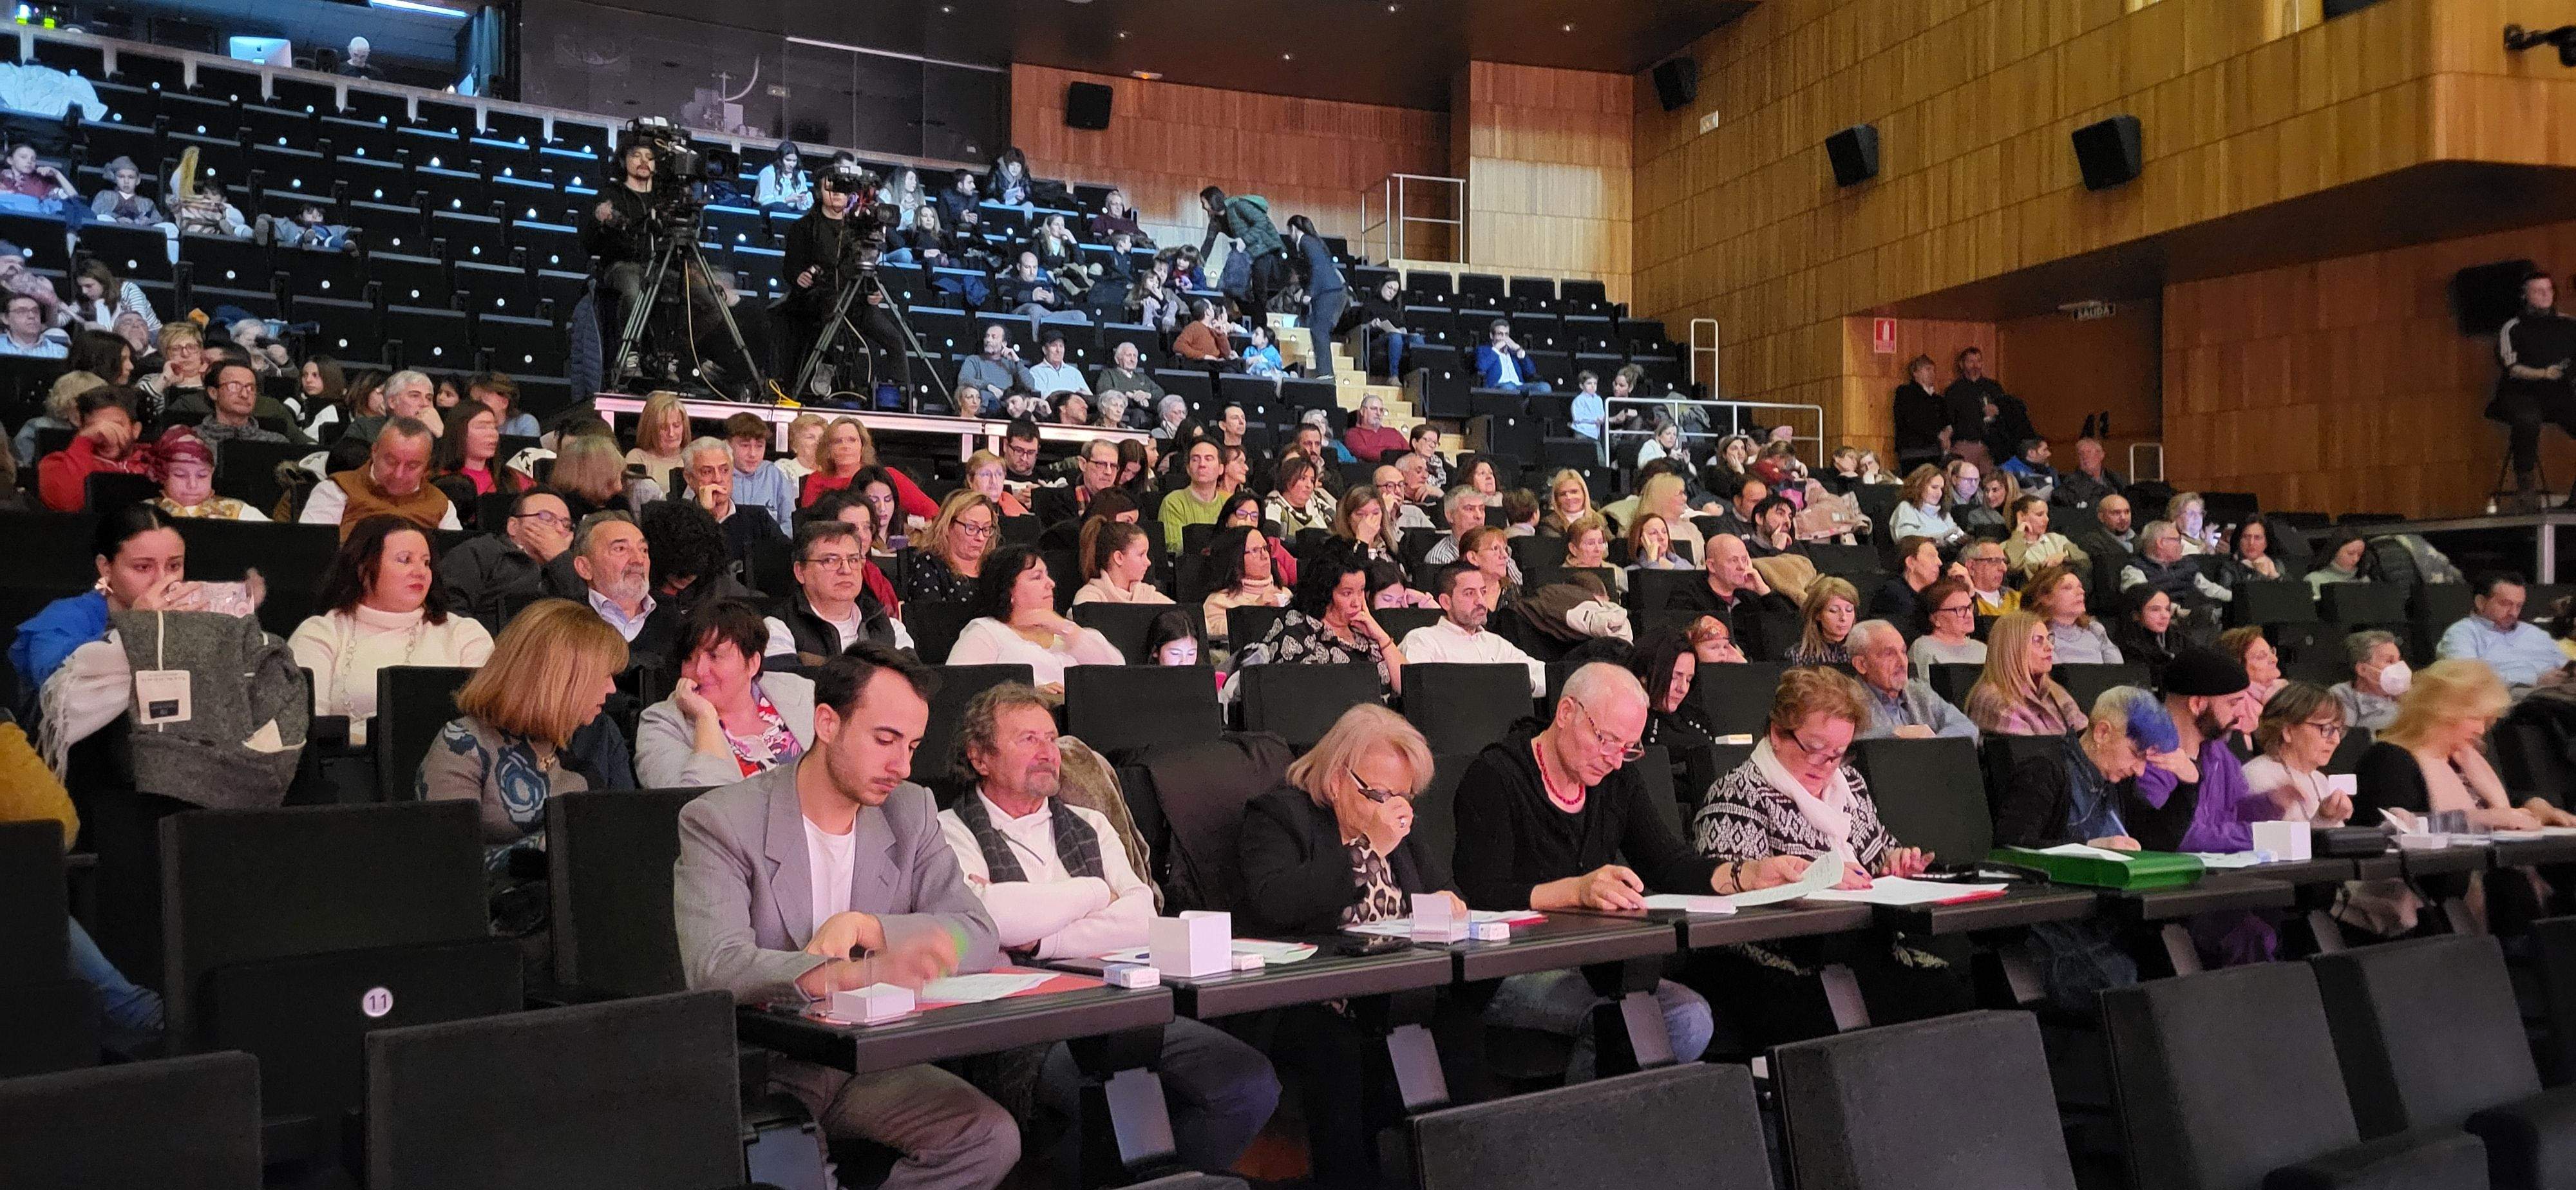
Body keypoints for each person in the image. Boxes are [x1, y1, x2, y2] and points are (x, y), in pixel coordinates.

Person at [671, 646, 1019, 1190]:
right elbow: (715, 966)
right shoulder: (721, 820)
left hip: (867, 1060)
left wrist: (872, 929)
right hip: (766, 1068)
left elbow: (975, 933)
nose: (902, 766)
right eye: (885, 741)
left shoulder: (912, 809)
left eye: (913, 746)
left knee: (987, 1136)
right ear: (827, 723)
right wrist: (850, 974)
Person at [935, 683, 1280, 1172]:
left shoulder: (1090, 823)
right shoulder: (949, 829)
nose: (1047, 753)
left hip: (1124, 1007)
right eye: (1027, 740)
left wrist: (1041, 940)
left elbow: (1141, 919)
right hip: (1024, 1030)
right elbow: (991, 919)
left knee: (1248, 1084)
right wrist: (1095, 893)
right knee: (1115, 1103)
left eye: (1051, 739)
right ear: (980, 757)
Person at [1455, 664, 1810, 1077]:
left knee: (1690, 1017)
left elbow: (1668, 865)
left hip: (1596, 959)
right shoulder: (1497, 775)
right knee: (1629, 1018)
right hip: (1507, 968)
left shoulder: (1617, 780)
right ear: (1567, 713)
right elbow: (1480, 894)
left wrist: (1746, 875)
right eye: (1606, 739)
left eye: (1628, 747)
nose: (1614, 759)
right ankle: (1586, 1129)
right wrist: (1576, 891)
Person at [1693, 667, 1962, 1044]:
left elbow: (1876, 849)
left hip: (1854, 945)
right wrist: (1818, 880)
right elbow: (1734, 899)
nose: (1827, 766)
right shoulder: (1737, 793)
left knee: (1942, 985)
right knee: (1843, 1005)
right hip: (1778, 959)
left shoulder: (1848, 784)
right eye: (1816, 751)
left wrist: (1895, 861)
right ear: (1777, 733)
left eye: (1838, 754)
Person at [417, 599, 625, 877]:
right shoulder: (463, 744)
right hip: (494, 910)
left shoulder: (602, 733)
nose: (612, 688)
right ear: (558, 679)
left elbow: (627, 832)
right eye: (603, 675)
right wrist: (546, 848)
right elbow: (448, 865)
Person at [290, 515, 493, 746]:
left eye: (426, 562)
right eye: (405, 560)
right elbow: (303, 728)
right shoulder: (321, 633)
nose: (421, 572)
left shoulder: (465, 634)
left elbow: (485, 725)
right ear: (364, 570)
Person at [10, 505, 203, 700]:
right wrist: (134, 625)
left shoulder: (196, 615)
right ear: (106, 568)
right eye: (143, 567)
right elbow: (52, 682)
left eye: (174, 566)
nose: (163, 580)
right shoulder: (63, 618)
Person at [2356, 659, 2564, 835]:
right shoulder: (2390, 759)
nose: (2481, 730)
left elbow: (2498, 807)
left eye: (2486, 720)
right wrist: (2480, 820)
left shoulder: (2465, 757)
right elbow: (2394, 826)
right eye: (2474, 718)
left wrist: (2536, 807)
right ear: (2441, 714)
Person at [637, 599, 817, 788]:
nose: (700, 670)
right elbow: (692, 805)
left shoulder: (801, 691)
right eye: (689, 658)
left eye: (715, 656)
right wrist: (706, 719)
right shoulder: (659, 724)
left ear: (753, 663)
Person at [2121, 647, 2271, 855]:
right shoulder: (2147, 757)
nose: (2239, 713)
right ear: (2197, 704)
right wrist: (2260, 836)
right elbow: (2175, 834)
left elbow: (2235, 810)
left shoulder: (2219, 753)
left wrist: (2273, 804)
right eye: (2233, 703)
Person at [946, 546, 1122, 689]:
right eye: (1037, 577)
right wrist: (1031, 691)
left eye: (1048, 575)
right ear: (1009, 591)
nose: (1051, 584)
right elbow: (959, 687)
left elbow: (1119, 674)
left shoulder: (1068, 633)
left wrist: (1061, 626)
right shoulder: (987, 632)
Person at [764, 509, 909, 663]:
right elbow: (789, 686)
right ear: (800, 572)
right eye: (830, 561)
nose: (846, 570)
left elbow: (915, 683)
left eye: (853, 560)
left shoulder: (889, 626)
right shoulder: (777, 628)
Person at [2488, 270, 2576, 502]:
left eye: (2549, 289)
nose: (2546, 295)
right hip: (2520, 394)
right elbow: (2512, 368)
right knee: (2528, 419)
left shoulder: (2569, 324)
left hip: (2559, 395)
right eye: (2538, 290)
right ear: (2526, 296)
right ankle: (2525, 485)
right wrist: (2543, 374)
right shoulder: (2513, 327)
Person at [1398, 563, 1545, 695]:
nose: (1481, 601)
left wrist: (1524, 684)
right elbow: (1422, 693)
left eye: (1483, 592)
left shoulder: (1496, 643)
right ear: (1446, 602)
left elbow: (1545, 675)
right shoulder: (1423, 640)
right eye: (1470, 593)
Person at [300, 417, 459, 535]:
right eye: (391, 461)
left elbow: (456, 567)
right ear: (374, 452)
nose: (398, 474)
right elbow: (314, 554)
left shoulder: (441, 505)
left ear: (427, 466)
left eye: (412, 466)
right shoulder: (337, 489)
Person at [438, 487, 576, 619]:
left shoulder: (573, 565)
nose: (559, 529)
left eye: (566, 524)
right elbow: (450, 610)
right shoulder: (480, 552)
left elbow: (583, 615)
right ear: (513, 527)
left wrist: (560, 559)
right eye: (546, 517)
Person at [1663, 534, 1799, 662]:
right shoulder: (1688, 595)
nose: (1741, 566)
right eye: (1734, 560)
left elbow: (1788, 630)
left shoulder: (1751, 595)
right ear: (1712, 566)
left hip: (1755, 670)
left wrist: (1764, 591)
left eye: (1744, 559)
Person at [2240, 682, 2354, 826]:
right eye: (2326, 728)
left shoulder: (2320, 779)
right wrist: (2324, 819)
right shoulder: (2257, 775)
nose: (2336, 740)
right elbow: (2280, 845)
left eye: (2339, 730)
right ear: (2288, 731)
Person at [580, 138, 661, 339]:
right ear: (624, 161)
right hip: (622, 266)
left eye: (650, 157)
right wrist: (600, 220)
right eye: (636, 155)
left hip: (660, 268)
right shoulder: (610, 195)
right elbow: (589, 243)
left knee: (702, 296)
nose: (644, 161)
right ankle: (631, 354)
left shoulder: (664, 199)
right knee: (634, 292)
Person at [1848, 619, 1978, 741]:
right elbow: (1848, 741)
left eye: (1903, 652)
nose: (1902, 662)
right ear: (1861, 665)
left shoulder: (1919, 691)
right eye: (1889, 654)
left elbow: (1967, 727)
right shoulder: (1849, 700)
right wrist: (1897, 734)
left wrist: (1933, 745)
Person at [2436, 571, 2568, 688]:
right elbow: (2467, 678)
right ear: (2480, 602)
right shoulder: (2463, 633)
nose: (2513, 613)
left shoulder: (2534, 633)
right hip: (2512, 699)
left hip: (2559, 691)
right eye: (2506, 604)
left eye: (2519, 606)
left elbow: (2565, 663)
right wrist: (2534, 680)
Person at [1964, 610, 2085, 735]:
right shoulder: (1995, 702)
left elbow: (2087, 738)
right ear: (2013, 648)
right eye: (2038, 640)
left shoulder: (2055, 692)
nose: (2050, 647)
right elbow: (2028, 751)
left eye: (2049, 639)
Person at [37, 387, 149, 511]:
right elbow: (68, 504)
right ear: (83, 430)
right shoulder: (56, 464)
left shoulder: (157, 460)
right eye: (94, 427)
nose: (105, 434)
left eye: (115, 426)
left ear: (135, 430)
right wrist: (84, 440)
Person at [896, 489, 999, 607]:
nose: (981, 538)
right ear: (947, 526)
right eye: (971, 528)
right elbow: (928, 619)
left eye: (986, 529)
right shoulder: (930, 564)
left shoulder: (997, 566)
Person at [1198, 186, 1287, 321]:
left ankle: (1261, 327)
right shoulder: (1216, 221)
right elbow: (1208, 245)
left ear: (1212, 201)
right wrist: (1198, 264)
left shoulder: (1238, 206)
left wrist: (1245, 240)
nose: (1203, 207)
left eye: (1204, 202)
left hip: (1264, 251)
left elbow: (1262, 221)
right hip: (1247, 255)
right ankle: (1253, 319)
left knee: (1259, 291)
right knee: (1232, 288)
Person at [2119, 519, 2230, 626]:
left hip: (2198, 616)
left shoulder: (2185, 564)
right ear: (2161, 543)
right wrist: (2180, 612)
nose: (2181, 545)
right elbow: (2145, 600)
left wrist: (2235, 598)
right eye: (2177, 540)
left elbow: (2209, 589)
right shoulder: (2134, 570)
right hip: (2168, 622)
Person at [428, 402, 518, 523]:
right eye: (482, 427)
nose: (493, 434)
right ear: (458, 432)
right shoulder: (434, 478)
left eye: (494, 427)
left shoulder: (511, 478)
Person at [149, 427, 263, 521]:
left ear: (212, 472)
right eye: (180, 475)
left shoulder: (240, 512)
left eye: (202, 475)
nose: (193, 485)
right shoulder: (146, 512)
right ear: (162, 474)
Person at [549, 431, 661, 520]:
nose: (620, 486)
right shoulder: (561, 511)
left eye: (620, 476)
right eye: (611, 479)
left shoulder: (619, 504)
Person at [2028, 563, 2123, 665]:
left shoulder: (2095, 629)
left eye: (2080, 587)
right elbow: (2056, 676)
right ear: (2045, 598)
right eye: (2068, 588)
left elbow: (2118, 672)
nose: (2081, 592)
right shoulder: (2038, 636)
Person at [1072, 520, 1170, 607]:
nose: (1148, 562)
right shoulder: (1088, 599)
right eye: (1141, 555)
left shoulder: (1148, 596)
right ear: (1119, 558)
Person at [1157, 437, 1229, 554]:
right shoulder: (1174, 502)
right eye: (1195, 460)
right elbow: (1174, 548)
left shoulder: (1228, 504)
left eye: (1208, 459)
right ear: (1188, 469)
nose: (1202, 465)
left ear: (1221, 469)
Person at [2329, 628, 2407, 733]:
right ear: (2363, 669)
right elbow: (2346, 738)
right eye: (2390, 661)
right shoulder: (2342, 695)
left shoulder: (2407, 696)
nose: (2398, 667)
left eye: (2398, 660)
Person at [1868, 535, 1946, 634]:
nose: (1939, 563)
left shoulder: (1931, 593)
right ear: (1911, 562)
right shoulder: (1892, 593)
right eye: (1931, 556)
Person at [1908, 578, 1987, 674]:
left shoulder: (1982, 649)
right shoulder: (1924, 649)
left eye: (1969, 607)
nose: (1969, 615)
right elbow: (1919, 688)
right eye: (1960, 609)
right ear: (1935, 619)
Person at [1942, 346, 2003, 468]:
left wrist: (1998, 411)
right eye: (1971, 361)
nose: (1975, 365)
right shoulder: (1954, 390)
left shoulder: (1994, 388)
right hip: (1964, 445)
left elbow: (2007, 414)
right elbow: (1947, 419)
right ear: (1962, 364)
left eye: (1979, 361)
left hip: (1990, 446)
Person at [2002, 496, 2087, 581]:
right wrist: (2019, 533)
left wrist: (2064, 557)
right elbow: (2014, 566)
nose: (2047, 519)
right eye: (2040, 514)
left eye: (2047, 514)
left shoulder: (2055, 538)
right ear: (2021, 516)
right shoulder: (2006, 546)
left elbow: (2084, 559)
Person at [1891, 354, 1948, 473]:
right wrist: (1937, 435)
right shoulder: (1906, 393)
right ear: (1915, 373)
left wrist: (1947, 433)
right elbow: (1912, 420)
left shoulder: (1937, 399)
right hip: (1913, 452)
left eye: (1933, 370)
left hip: (1935, 452)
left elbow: (1946, 420)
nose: (1932, 373)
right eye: (1927, 369)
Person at [625, 391, 690, 495]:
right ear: (650, 429)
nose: (671, 433)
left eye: (676, 425)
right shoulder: (637, 458)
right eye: (664, 428)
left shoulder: (693, 458)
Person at [1786, 576, 1859, 666]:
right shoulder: (1797, 656)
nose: (1844, 618)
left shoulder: (1862, 652)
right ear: (1818, 614)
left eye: (1849, 610)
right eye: (1834, 610)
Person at [1888, 464, 1965, 548]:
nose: (1939, 493)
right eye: (1934, 487)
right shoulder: (1906, 508)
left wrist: (1956, 537)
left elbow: (1957, 536)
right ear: (1919, 486)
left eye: (1942, 489)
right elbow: (1907, 540)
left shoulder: (1944, 514)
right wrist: (1941, 538)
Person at [1473, 318, 1551, 394]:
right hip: (1498, 386)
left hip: (1520, 386)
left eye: (1506, 335)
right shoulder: (1484, 350)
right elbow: (1481, 366)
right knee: (1509, 387)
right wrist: (1496, 349)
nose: (1504, 338)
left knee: (1545, 387)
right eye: (1500, 334)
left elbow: (1531, 371)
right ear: (1492, 336)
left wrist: (1519, 350)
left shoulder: (1513, 352)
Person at [1265, 456, 1334, 536]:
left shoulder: (1318, 502)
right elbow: (1273, 541)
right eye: (1303, 478)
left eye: (1312, 480)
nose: (1309, 485)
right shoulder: (1273, 505)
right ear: (1287, 480)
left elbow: (1340, 527)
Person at [89, 155, 164, 228]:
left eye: (131, 177)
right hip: (112, 229)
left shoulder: (147, 202)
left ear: (138, 180)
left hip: (140, 230)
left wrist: (146, 220)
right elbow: (95, 212)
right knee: (102, 218)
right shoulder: (105, 195)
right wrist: (116, 218)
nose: (126, 181)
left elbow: (157, 218)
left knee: (170, 227)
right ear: (115, 179)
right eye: (121, 177)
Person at [2052, 437, 2125, 509]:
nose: (2085, 457)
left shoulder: (2115, 479)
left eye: (2089, 452)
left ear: (2102, 455)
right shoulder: (2071, 484)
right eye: (2081, 454)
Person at [2221, 518, 2284, 587]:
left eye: (2258, 538)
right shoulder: (2229, 569)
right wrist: (2257, 572)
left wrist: (2274, 575)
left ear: (2266, 543)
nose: (2251, 543)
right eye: (2246, 537)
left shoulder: (2276, 565)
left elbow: (2289, 593)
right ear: (2239, 541)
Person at [2306, 530, 2370, 597]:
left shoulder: (2364, 580)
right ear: (2335, 551)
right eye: (2351, 553)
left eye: (2360, 555)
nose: (2356, 559)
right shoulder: (2314, 580)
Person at [0, 292, 64, 358]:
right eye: (22, 311)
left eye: (35, 311)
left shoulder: (60, 353)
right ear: (6, 318)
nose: (32, 316)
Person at [754, 142, 813, 212]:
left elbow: (803, 192)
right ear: (780, 160)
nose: (791, 165)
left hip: (793, 210)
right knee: (780, 207)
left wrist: (803, 199)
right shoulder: (768, 173)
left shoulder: (799, 173)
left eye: (794, 161)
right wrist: (787, 199)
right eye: (788, 160)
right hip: (769, 211)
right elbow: (764, 201)